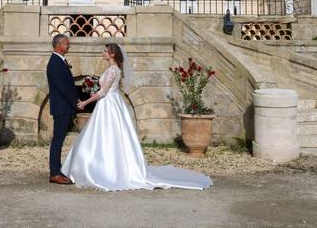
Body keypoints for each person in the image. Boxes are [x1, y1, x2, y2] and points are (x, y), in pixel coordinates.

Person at [61, 43, 213, 191]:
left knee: (108, 134)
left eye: (105, 51)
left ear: (112, 54)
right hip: (108, 104)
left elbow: (103, 92)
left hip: (109, 104)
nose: (103, 53)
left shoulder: (113, 70)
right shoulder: (112, 69)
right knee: (103, 134)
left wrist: (85, 102)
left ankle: (107, 169)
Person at [45, 33, 79, 185]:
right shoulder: (54, 63)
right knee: (58, 139)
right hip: (61, 107)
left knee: (59, 138)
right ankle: (54, 173)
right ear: (58, 45)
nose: (69, 45)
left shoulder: (60, 61)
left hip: (64, 106)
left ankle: (57, 169)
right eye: (66, 43)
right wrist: (76, 102)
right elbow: (63, 88)